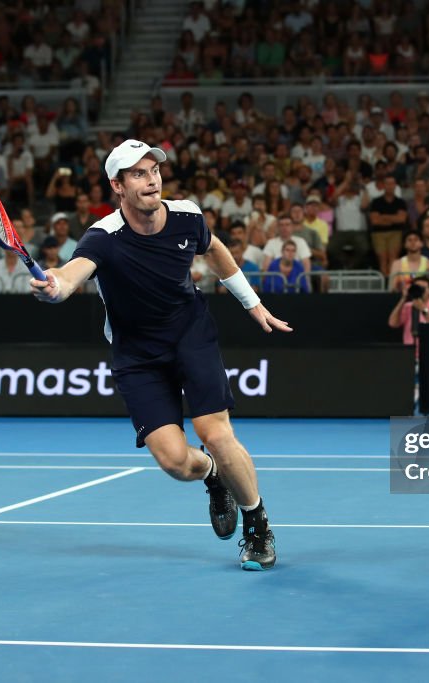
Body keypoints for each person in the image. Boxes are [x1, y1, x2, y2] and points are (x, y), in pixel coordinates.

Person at [29, 139, 290, 571]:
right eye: (138, 174)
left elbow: (217, 250)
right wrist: (55, 286)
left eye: (154, 171)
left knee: (217, 433)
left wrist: (252, 303)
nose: (151, 180)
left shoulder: (187, 215)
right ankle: (212, 476)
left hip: (190, 334)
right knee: (173, 462)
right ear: (117, 185)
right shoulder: (104, 237)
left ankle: (257, 523)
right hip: (136, 353)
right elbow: (72, 273)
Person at [386, 275, 429, 345]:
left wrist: (423, 309)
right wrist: (403, 299)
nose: (420, 291)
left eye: (423, 288)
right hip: (409, 350)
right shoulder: (407, 306)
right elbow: (392, 323)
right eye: (417, 287)